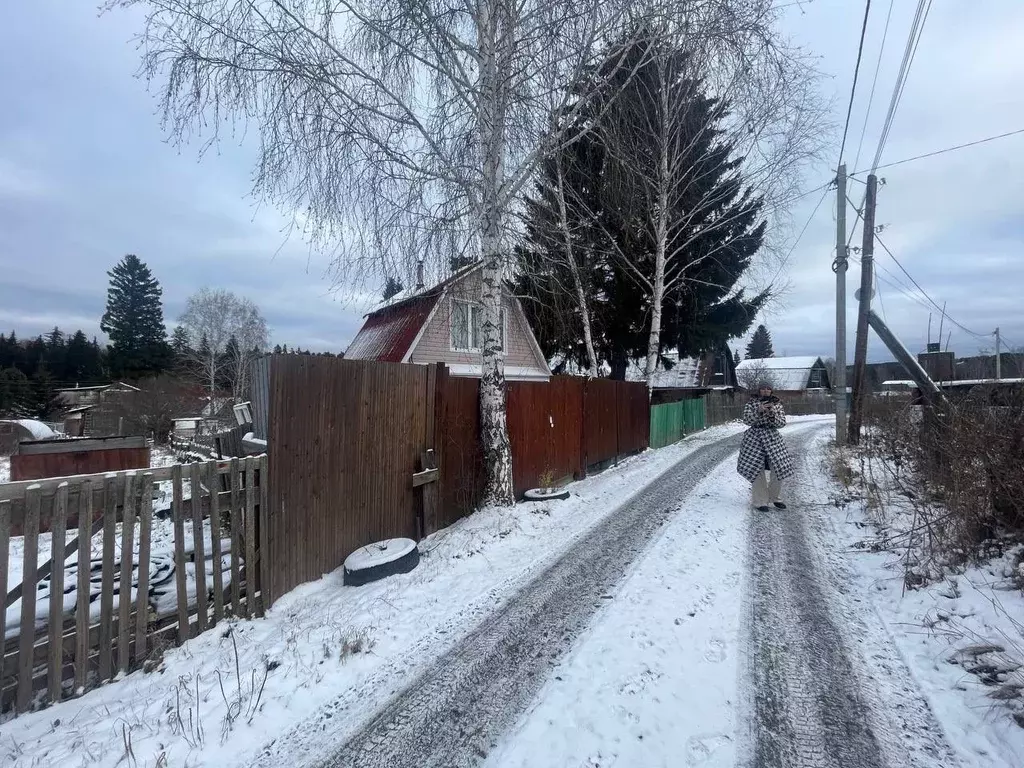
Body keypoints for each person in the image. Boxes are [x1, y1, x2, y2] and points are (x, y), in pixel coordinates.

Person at [737, 381, 795, 511]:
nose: (765, 391)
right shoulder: (751, 404)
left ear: (771, 391)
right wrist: (758, 411)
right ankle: (760, 501)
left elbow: (782, 423)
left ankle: (775, 498)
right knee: (757, 469)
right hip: (754, 437)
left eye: (768, 389)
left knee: (779, 467)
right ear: (759, 390)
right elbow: (747, 420)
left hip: (772, 437)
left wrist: (773, 414)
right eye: (763, 389)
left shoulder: (777, 404)